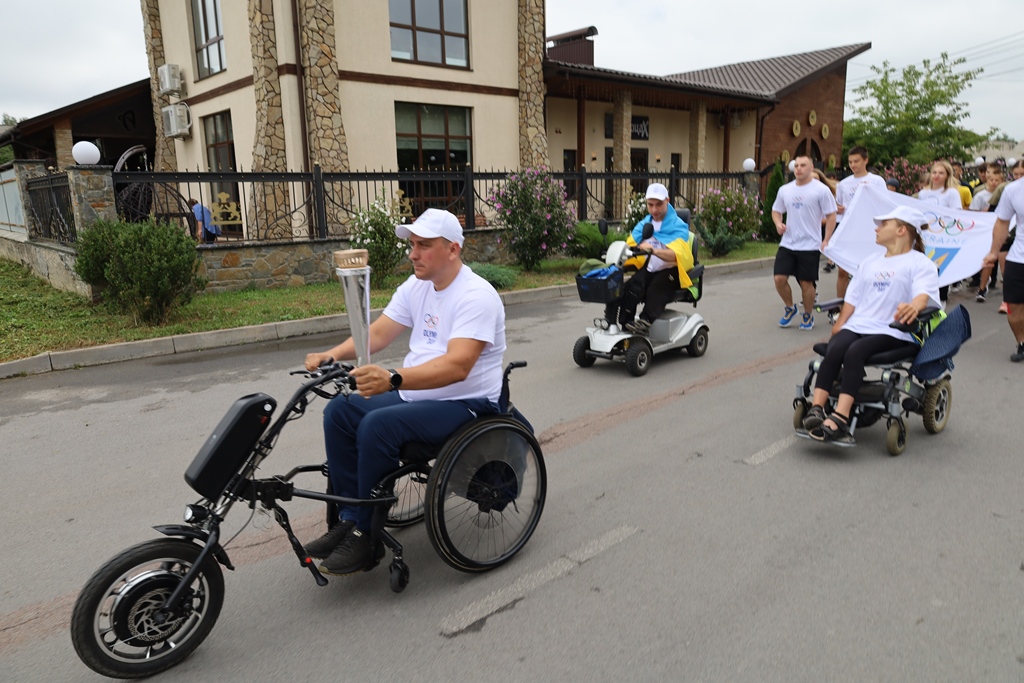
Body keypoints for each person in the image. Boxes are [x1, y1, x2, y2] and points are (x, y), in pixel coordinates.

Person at [302, 208, 507, 574]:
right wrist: (329, 354)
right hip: (418, 393)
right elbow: (378, 334)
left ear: (453, 250)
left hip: (465, 401)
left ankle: (367, 536)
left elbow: (458, 366)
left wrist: (393, 379)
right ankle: (350, 518)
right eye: (411, 244)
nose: (412, 253)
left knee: (377, 426)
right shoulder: (417, 286)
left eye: (424, 245)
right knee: (341, 411)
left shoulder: (477, 296)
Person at [802, 206, 940, 442]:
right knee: (835, 348)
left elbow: (922, 296)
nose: (877, 229)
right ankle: (817, 409)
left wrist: (914, 307)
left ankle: (841, 418)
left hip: (894, 331)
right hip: (859, 325)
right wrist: (840, 325)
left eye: (883, 224)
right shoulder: (870, 262)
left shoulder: (919, 263)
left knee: (855, 352)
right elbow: (852, 298)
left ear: (901, 230)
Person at [605, 182, 694, 335]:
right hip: (650, 268)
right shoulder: (644, 224)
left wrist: (653, 250)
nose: (654, 209)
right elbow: (630, 245)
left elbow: (676, 255)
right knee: (631, 288)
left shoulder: (678, 226)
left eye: (658, 204)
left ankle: (645, 322)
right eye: (650, 205)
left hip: (672, 270)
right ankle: (626, 323)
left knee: (656, 289)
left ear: (667, 200)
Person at [771, 155, 838, 331]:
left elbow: (831, 215)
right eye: (796, 165)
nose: (798, 168)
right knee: (779, 278)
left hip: (810, 244)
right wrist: (778, 223)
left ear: (811, 168)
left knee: (806, 283)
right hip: (788, 243)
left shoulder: (820, 190)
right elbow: (776, 210)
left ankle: (807, 315)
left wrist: (826, 239)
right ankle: (790, 307)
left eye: (803, 165)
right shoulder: (785, 190)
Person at [832, 147, 888, 298]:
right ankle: (840, 305)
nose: (853, 165)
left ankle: (871, 302)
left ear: (865, 160)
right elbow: (839, 207)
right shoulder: (843, 184)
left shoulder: (877, 181)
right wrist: (839, 209)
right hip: (850, 231)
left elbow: (884, 204)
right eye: (850, 162)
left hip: (871, 231)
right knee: (843, 270)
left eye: (856, 161)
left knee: (872, 270)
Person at [983, 170, 1024, 362]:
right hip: (1018, 258)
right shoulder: (1013, 190)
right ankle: (1022, 343)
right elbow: (1002, 222)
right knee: (1013, 308)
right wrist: (993, 251)